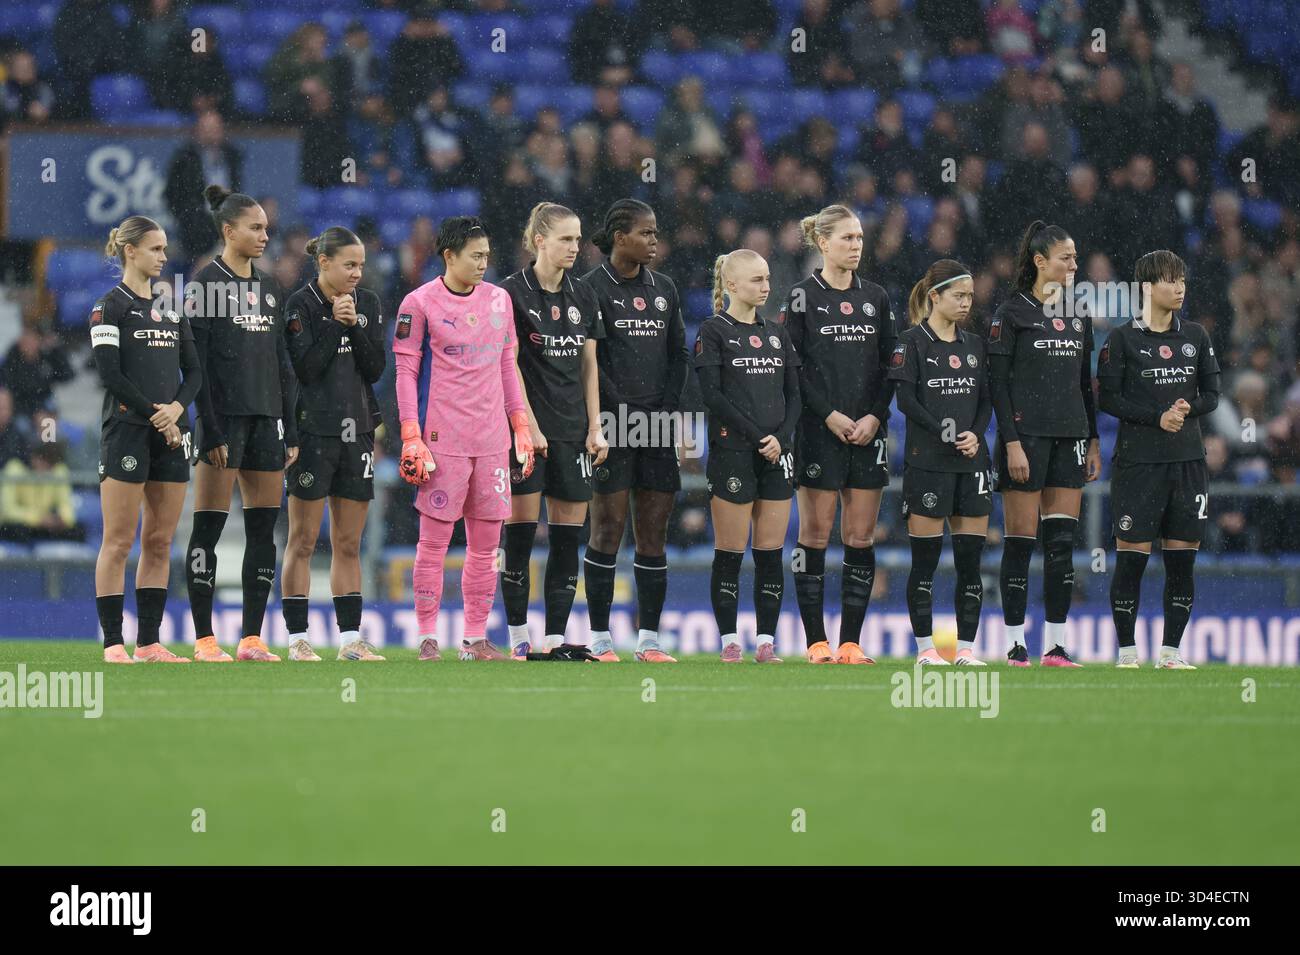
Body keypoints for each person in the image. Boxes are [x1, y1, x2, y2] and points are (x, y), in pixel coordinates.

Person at [393, 216, 534, 661]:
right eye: (475, 256)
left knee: (487, 547)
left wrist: (521, 428)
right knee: (433, 543)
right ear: (449, 255)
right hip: (442, 440)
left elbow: (507, 365)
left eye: (487, 256)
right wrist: (411, 434)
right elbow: (405, 372)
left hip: (492, 441)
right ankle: (427, 637)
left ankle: (474, 639)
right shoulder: (418, 303)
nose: (483, 264)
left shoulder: (500, 300)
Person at [184, 186, 299, 663]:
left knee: (263, 531)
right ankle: (205, 638)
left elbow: (281, 363)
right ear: (228, 231)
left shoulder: (271, 288)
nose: (264, 235)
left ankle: (252, 638)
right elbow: (198, 367)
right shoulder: (204, 285)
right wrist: (208, 429)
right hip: (223, 422)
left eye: (266, 228)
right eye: (255, 228)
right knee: (207, 529)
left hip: (266, 419)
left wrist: (290, 427)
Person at [783, 204, 896, 664]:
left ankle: (851, 641)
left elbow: (893, 366)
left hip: (868, 432)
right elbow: (793, 367)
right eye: (847, 238)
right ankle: (816, 642)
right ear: (823, 243)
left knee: (860, 537)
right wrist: (828, 414)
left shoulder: (877, 298)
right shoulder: (801, 297)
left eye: (860, 238)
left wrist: (875, 416)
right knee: (814, 534)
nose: (856, 246)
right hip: (819, 430)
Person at [1098, 250, 1219, 669]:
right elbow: (1108, 398)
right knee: (1131, 559)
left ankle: (1171, 652)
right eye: (1170, 279)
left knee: (1182, 561)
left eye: (1182, 278)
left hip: (1188, 462)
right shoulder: (1122, 339)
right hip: (1138, 464)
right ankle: (1127, 652)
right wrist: (1156, 417)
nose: (1180, 287)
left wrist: (1189, 409)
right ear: (1147, 288)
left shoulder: (1197, 336)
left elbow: (1213, 395)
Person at [988, 221, 1100, 667]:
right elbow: (998, 386)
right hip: (1026, 439)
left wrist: (1092, 438)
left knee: (1061, 544)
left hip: (1070, 437)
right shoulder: (1011, 313)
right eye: (1065, 257)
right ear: (1040, 262)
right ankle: (1015, 643)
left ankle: (1055, 645)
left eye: (1075, 257)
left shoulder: (1078, 313)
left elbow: (1083, 384)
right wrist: (1011, 443)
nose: (1074, 264)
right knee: (1020, 542)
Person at [499, 203, 608, 659]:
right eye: (565, 238)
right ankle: (518, 636)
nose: (575, 247)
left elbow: (589, 364)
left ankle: (556, 637)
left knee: (567, 537)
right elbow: (510, 365)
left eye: (578, 238)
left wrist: (596, 425)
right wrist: (529, 425)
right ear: (539, 240)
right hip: (524, 433)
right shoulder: (509, 293)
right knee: (520, 535)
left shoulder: (584, 294)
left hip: (573, 432)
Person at [581, 199, 688, 663]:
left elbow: (679, 354)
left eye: (656, 232)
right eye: (645, 233)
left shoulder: (664, 289)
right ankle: (600, 637)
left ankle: (649, 640)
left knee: (652, 533)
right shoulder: (588, 289)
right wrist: (619, 409)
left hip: (657, 424)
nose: (653, 240)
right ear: (619, 237)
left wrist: (664, 408)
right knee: (607, 528)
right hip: (610, 425)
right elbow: (589, 362)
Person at [90, 216, 200, 663]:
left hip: (172, 433)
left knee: (160, 541)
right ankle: (113, 642)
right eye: (155, 248)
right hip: (128, 431)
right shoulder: (108, 307)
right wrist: (159, 414)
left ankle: (149, 642)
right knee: (118, 540)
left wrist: (176, 409)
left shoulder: (171, 307)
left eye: (165, 249)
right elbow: (110, 374)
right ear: (129, 251)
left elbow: (193, 372)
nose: (163, 256)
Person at [281, 228, 386, 662]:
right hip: (312, 434)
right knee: (302, 539)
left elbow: (375, 368)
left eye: (360, 265)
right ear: (323, 262)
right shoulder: (299, 305)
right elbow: (305, 369)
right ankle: (297, 639)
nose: (357, 274)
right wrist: (333, 324)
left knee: (348, 542)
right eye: (349, 265)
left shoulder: (370, 304)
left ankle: (350, 641)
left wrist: (354, 326)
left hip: (358, 433)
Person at [694, 249, 800, 663]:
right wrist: (760, 437)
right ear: (732, 285)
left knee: (771, 552)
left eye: (768, 278)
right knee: (731, 551)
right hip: (734, 452)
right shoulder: (713, 330)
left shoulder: (778, 334)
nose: (766, 286)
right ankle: (728, 641)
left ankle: (767, 642)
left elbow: (795, 394)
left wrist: (782, 439)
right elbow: (713, 396)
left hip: (776, 453)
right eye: (757, 279)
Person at [889, 260, 991, 665]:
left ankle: (965, 650)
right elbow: (905, 401)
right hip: (928, 462)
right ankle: (926, 650)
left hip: (971, 464)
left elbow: (985, 400)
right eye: (958, 295)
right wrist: (947, 433)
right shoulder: (911, 342)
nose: (966, 302)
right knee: (926, 564)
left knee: (970, 564)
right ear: (935, 296)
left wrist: (976, 434)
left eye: (970, 296)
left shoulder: (975, 345)